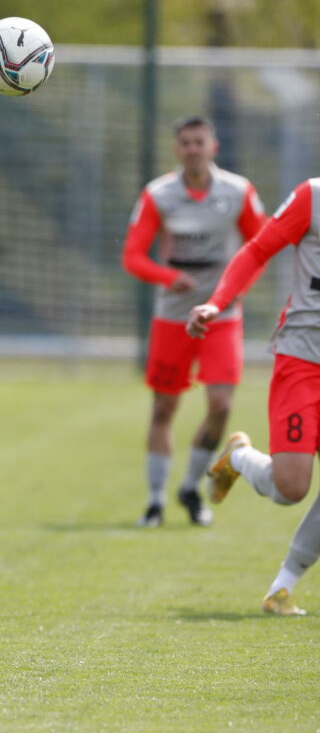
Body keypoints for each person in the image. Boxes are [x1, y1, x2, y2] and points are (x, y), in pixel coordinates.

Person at [121, 115, 265, 528]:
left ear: (213, 147)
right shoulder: (158, 194)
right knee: (164, 406)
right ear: (176, 150)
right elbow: (132, 255)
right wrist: (170, 278)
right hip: (173, 316)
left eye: (199, 142)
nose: (192, 149)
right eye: (184, 143)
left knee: (221, 405)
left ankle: (190, 487)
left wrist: (235, 292)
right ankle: (154, 501)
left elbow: (262, 244)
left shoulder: (238, 191)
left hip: (222, 315)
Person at [189, 177, 320, 615]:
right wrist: (217, 302)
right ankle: (240, 457)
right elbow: (257, 249)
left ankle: (281, 589)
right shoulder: (312, 196)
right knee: (290, 487)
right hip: (303, 357)